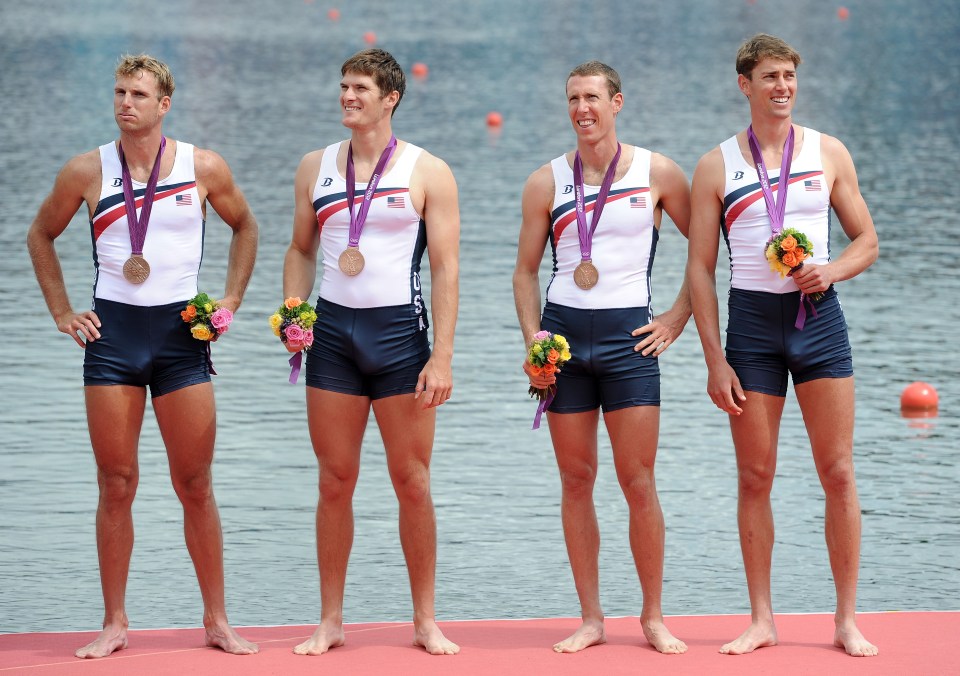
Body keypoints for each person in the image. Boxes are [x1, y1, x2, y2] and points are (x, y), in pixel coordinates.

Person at [26, 55, 259, 658]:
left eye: (138, 94)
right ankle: (114, 623)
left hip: (183, 337)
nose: (125, 102)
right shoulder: (86, 170)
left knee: (195, 483)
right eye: (119, 91)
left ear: (164, 105)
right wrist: (61, 311)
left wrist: (229, 299)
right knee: (115, 483)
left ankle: (217, 621)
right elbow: (40, 235)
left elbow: (247, 228)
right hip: (113, 339)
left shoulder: (202, 167)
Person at [686, 34, 879, 657]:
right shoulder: (717, 166)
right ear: (745, 85)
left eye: (790, 75)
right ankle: (762, 618)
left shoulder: (828, 153)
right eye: (770, 76)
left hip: (818, 318)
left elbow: (866, 242)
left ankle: (846, 620)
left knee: (839, 471)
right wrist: (714, 360)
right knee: (755, 475)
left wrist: (833, 271)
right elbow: (699, 271)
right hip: (751, 329)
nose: (783, 87)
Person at [282, 48, 460, 657]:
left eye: (360, 89)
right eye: (343, 87)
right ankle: (331, 620)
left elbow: (445, 269)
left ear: (391, 99)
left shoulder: (427, 171)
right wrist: (292, 309)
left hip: (400, 339)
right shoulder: (315, 167)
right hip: (331, 336)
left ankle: (426, 620)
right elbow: (301, 250)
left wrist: (441, 356)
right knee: (334, 480)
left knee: (411, 480)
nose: (347, 97)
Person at [513, 61, 691, 655]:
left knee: (638, 481)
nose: (582, 108)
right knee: (575, 478)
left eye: (592, 97)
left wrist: (677, 316)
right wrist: (533, 339)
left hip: (629, 342)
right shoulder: (546, 181)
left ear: (617, 102)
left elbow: (709, 252)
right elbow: (525, 271)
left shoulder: (657, 172)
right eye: (573, 99)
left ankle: (654, 617)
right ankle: (591, 618)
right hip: (563, 341)